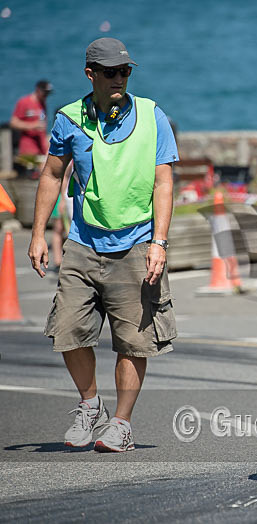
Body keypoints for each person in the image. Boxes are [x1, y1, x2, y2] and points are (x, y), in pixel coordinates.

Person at [27, 38, 178, 452]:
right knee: (69, 330)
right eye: (110, 72)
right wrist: (38, 233)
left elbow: (164, 182)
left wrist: (158, 242)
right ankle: (90, 405)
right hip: (82, 242)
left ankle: (122, 423)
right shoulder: (69, 118)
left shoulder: (151, 115)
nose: (119, 79)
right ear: (90, 73)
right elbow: (53, 175)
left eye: (125, 71)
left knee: (134, 340)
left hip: (136, 242)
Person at [10, 79, 53, 157]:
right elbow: (13, 122)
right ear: (38, 90)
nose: (46, 96)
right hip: (28, 146)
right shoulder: (24, 102)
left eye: (48, 94)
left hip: (40, 146)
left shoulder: (42, 104)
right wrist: (32, 126)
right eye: (45, 93)